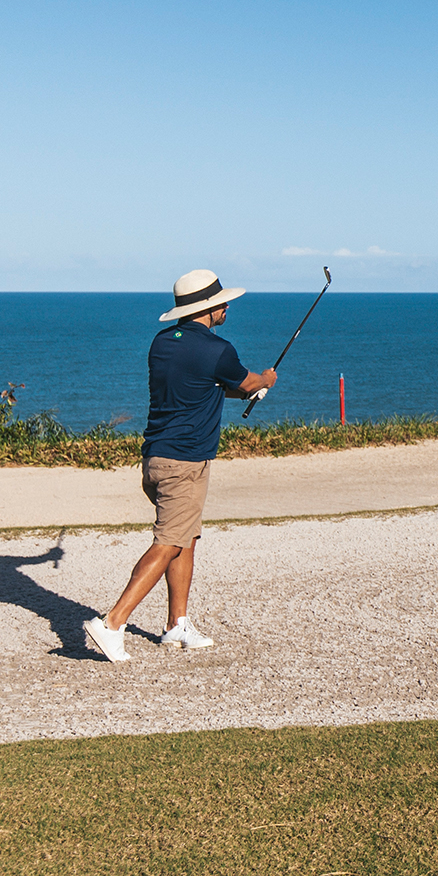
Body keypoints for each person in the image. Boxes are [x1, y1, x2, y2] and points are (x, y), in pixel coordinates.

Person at [82, 269, 276, 663]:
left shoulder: (162, 343)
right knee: (169, 540)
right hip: (185, 462)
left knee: (184, 537)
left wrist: (245, 388)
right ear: (211, 308)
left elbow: (210, 385)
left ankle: (177, 624)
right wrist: (265, 379)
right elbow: (247, 383)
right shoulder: (219, 350)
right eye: (223, 302)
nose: (226, 308)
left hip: (155, 456)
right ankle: (113, 623)